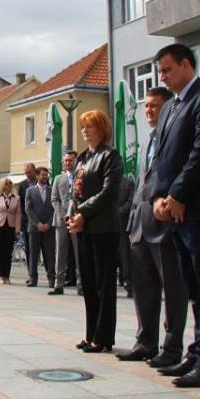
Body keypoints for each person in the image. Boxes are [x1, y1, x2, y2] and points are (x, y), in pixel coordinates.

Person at [150, 43, 200, 389]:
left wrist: (177, 194)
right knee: (193, 288)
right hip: (176, 214)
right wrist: (158, 197)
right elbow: (160, 157)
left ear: (186, 64)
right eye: (160, 72)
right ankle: (197, 354)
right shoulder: (169, 109)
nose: (162, 77)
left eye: (167, 70)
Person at [116, 86, 189, 371]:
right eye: (146, 106)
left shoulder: (175, 139)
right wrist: (133, 219)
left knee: (173, 288)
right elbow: (141, 182)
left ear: (169, 108)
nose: (149, 111)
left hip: (164, 223)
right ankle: (145, 341)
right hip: (140, 224)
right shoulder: (148, 140)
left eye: (155, 106)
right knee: (143, 288)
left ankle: (171, 347)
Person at [67, 109, 122, 353]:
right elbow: (75, 191)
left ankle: (103, 337)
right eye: (83, 127)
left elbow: (109, 193)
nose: (85, 131)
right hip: (84, 227)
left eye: (90, 126)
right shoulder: (82, 158)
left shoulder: (110, 156)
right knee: (88, 283)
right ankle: (90, 334)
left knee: (104, 283)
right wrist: (72, 214)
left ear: (102, 128)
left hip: (103, 228)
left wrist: (83, 213)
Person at [50, 151, 77, 294]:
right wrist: (62, 214)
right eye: (66, 161)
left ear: (75, 162)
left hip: (77, 220)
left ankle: (81, 284)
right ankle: (58, 284)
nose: (68, 163)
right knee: (60, 253)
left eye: (70, 160)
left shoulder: (81, 177)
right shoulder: (58, 179)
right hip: (61, 221)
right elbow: (54, 198)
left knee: (80, 253)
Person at [25, 167, 56, 288]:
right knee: (33, 255)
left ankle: (51, 279)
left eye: (46, 175)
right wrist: (37, 223)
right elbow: (28, 209)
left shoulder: (52, 190)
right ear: (37, 176)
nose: (45, 177)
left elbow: (55, 208)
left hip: (49, 228)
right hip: (34, 228)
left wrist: (48, 223)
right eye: (43, 175)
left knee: (50, 254)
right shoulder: (30, 191)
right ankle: (33, 278)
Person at [0, 177, 21, 284]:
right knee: (1, 251)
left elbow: (18, 214)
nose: (9, 185)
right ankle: (1, 275)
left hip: (10, 227)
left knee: (8, 252)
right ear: (3, 185)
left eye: (10, 183)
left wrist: (17, 228)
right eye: (7, 183)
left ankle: (7, 275)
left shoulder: (16, 198)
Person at [17, 163, 38, 281]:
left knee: (44, 250)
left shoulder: (41, 181)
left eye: (30, 172)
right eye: (26, 173)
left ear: (34, 171)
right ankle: (31, 275)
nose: (28, 175)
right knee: (29, 250)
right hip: (27, 222)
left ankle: (50, 276)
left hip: (41, 221)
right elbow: (21, 204)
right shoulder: (22, 185)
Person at [116, 176, 135, 297]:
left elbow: (131, 201)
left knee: (125, 256)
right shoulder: (104, 181)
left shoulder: (128, 183)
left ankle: (129, 285)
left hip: (123, 224)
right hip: (107, 225)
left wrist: (118, 211)